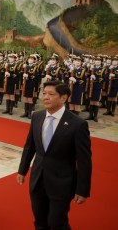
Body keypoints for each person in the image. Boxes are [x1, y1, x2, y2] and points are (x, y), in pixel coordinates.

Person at [17, 80, 92, 230]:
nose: (45, 97)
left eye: (51, 94)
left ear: (63, 98)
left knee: (57, 222)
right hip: (38, 178)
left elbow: (84, 161)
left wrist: (82, 190)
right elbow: (29, 146)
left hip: (62, 182)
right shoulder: (37, 116)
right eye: (44, 94)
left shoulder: (77, 124)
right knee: (39, 221)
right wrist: (22, 170)